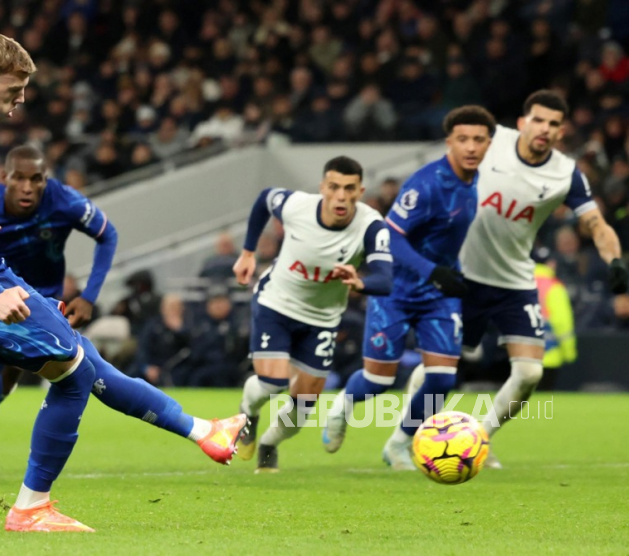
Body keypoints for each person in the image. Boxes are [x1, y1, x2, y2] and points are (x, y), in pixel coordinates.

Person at [0, 33, 206, 534]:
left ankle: (197, 430)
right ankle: (31, 508)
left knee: (79, 361)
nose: (20, 99)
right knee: (75, 372)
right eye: (14, 88)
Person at [0, 145, 246, 479]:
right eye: (20, 179)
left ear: (46, 180)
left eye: (36, 179)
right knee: (75, 369)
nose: (28, 187)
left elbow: (107, 234)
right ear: (5, 178)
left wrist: (89, 296)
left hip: (42, 301)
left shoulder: (63, 200)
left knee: (64, 374)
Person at [395, 90, 628, 468]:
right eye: (538, 120)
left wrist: (615, 259)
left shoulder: (565, 174)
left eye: (553, 124)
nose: (544, 129)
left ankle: (478, 438)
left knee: (530, 372)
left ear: (561, 131)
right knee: (442, 367)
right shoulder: (491, 143)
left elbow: (596, 223)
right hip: (462, 274)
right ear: (522, 123)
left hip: (514, 279)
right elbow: (445, 172)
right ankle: (404, 438)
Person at [321, 106, 496, 467]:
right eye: (463, 139)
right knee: (377, 380)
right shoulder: (427, 183)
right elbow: (391, 236)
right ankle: (342, 407)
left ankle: (399, 443)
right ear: (449, 142)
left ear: (489, 144)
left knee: (442, 379)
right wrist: (431, 269)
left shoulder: (480, 179)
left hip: (439, 294)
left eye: (479, 139)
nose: (471, 147)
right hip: (397, 291)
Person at [233, 156, 393, 472]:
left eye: (349, 188)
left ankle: (269, 444)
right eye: (333, 187)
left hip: (322, 319)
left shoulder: (372, 226)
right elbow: (265, 198)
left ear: (360, 191)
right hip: (276, 303)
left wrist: (360, 280)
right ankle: (247, 414)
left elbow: (385, 278)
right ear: (322, 188)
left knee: (304, 406)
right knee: (272, 382)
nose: (341, 196)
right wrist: (248, 252)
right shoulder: (297, 206)